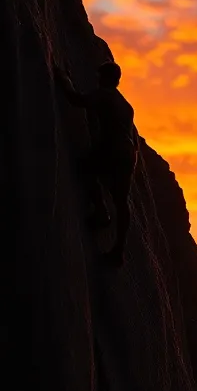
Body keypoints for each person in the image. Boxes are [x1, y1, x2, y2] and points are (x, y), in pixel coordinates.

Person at [55, 61, 138, 266]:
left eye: (100, 76)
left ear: (106, 78)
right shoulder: (126, 105)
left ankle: (101, 211)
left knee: (86, 168)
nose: (98, 79)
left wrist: (63, 80)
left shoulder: (105, 95)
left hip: (114, 147)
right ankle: (118, 250)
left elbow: (77, 100)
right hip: (128, 152)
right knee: (121, 200)